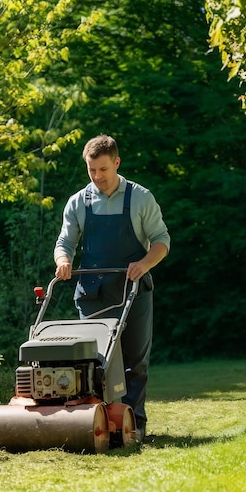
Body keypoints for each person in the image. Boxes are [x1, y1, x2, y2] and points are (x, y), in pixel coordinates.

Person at [54, 134, 170, 442]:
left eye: (103, 169)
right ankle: (97, 422)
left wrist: (144, 263)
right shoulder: (79, 201)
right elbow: (65, 242)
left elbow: (162, 241)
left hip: (133, 289)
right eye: (92, 170)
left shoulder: (140, 198)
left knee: (135, 361)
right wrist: (63, 261)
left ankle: (135, 424)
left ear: (116, 163)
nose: (97, 177)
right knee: (94, 361)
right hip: (92, 293)